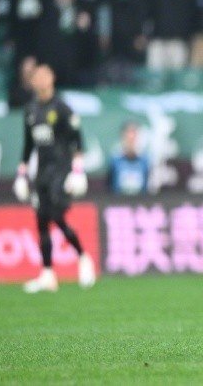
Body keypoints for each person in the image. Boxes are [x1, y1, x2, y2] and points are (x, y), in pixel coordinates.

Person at [13, 64, 96, 293]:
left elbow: (77, 141)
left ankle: (83, 257)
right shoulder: (30, 110)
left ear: (52, 78)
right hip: (41, 171)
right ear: (32, 82)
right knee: (41, 221)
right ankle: (48, 274)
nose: (40, 80)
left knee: (55, 215)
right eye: (36, 77)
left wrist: (77, 171)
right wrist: (21, 174)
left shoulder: (62, 108)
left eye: (44, 75)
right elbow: (28, 145)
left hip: (61, 169)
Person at [108, 121, 150, 195]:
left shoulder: (145, 161)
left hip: (141, 200)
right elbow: (110, 185)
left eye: (134, 136)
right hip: (118, 200)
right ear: (122, 137)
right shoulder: (115, 160)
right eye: (128, 136)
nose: (131, 139)